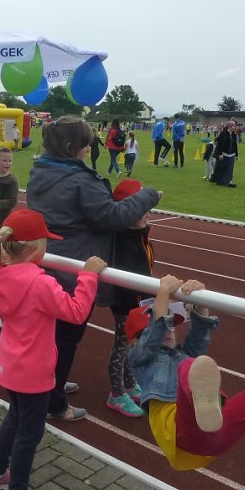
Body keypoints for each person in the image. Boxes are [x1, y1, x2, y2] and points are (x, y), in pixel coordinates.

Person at [0, 208, 107, 490]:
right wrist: (88, 276)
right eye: (45, 242)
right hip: (34, 372)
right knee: (29, 434)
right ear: (34, 249)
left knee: (15, 418)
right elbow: (76, 311)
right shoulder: (40, 283)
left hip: (11, 366)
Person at [26, 116, 161, 421]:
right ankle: (54, 402)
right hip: (74, 268)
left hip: (50, 258)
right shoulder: (79, 180)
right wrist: (147, 196)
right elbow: (110, 217)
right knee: (67, 337)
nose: (89, 149)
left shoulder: (41, 170)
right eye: (86, 145)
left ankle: (51, 383)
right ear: (71, 147)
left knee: (51, 334)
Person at [128, 276, 245, 471]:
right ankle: (204, 402)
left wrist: (200, 300)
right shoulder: (140, 358)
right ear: (135, 342)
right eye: (164, 325)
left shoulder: (183, 355)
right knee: (190, 365)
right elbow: (153, 337)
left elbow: (200, 335)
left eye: (171, 325)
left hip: (211, 436)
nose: (168, 330)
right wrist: (163, 293)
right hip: (178, 430)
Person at [106, 179, 156, 418]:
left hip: (139, 301)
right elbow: (127, 279)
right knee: (122, 346)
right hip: (126, 304)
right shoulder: (123, 240)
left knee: (130, 345)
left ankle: (129, 382)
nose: (147, 214)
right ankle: (116, 394)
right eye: (140, 210)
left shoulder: (139, 235)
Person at [209, 121, 239, 187]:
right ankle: (219, 181)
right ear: (229, 127)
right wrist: (220, 154)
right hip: (224, 154)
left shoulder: (234, 134)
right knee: (221, 168)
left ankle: (229, 181)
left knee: (230, 168)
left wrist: (236, 154)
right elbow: (219, 145)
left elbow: (235, 145)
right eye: (234, 126)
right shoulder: (223, 134)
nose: (235, 127)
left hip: (231, 154)